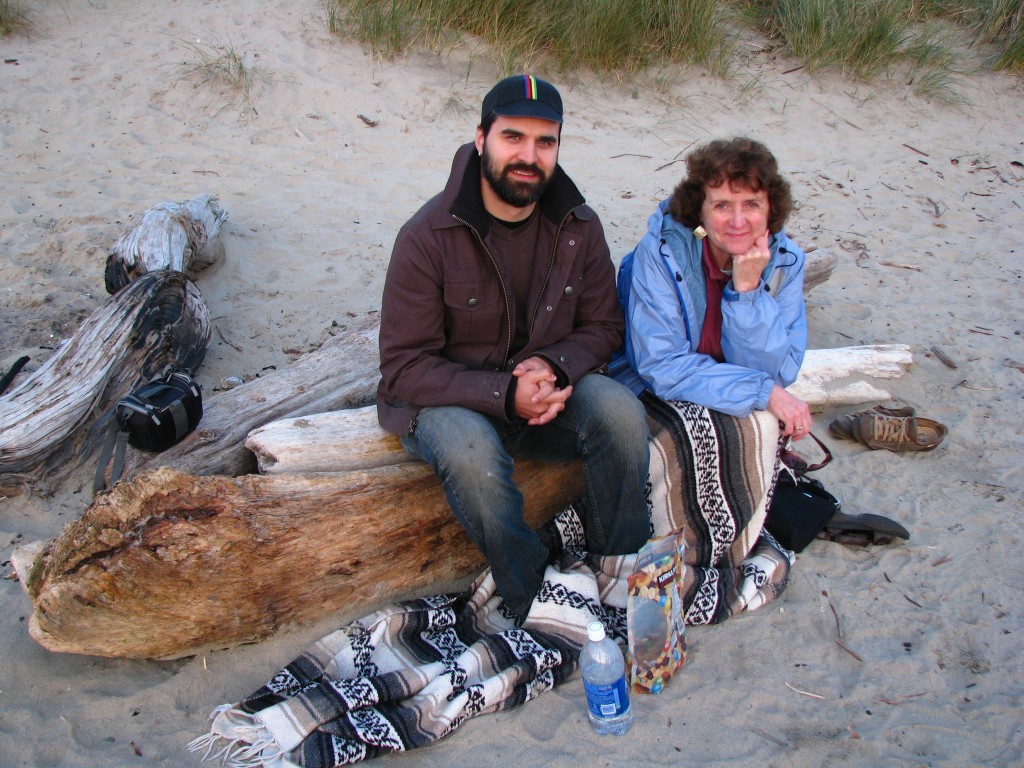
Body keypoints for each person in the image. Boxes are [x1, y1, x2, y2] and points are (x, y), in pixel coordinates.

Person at [376, 75, 651, 623]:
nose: (529, 156)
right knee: (472, 456)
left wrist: (553, 365)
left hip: (547, 395)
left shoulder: (579, 226)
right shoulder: (427, 235)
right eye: (513, 137)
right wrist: (505, 394)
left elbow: (603, 325)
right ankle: (531, 590)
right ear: (481, 139)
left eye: (545, 141)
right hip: (448, 402)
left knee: (621, 412)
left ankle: (616, 568)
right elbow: (404, 367)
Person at [612, 136, 813, 439]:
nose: (737, 221)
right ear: (699, 212)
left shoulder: (787, 261)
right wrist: (762, 391)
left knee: (762, 426)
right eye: (721, 205)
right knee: (709, 435)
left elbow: (776, 372)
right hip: (652, 388)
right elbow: (661, 365)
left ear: (771, 209)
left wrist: (747, 290)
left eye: (752, 204)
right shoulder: (661, 254)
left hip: (733, 391)